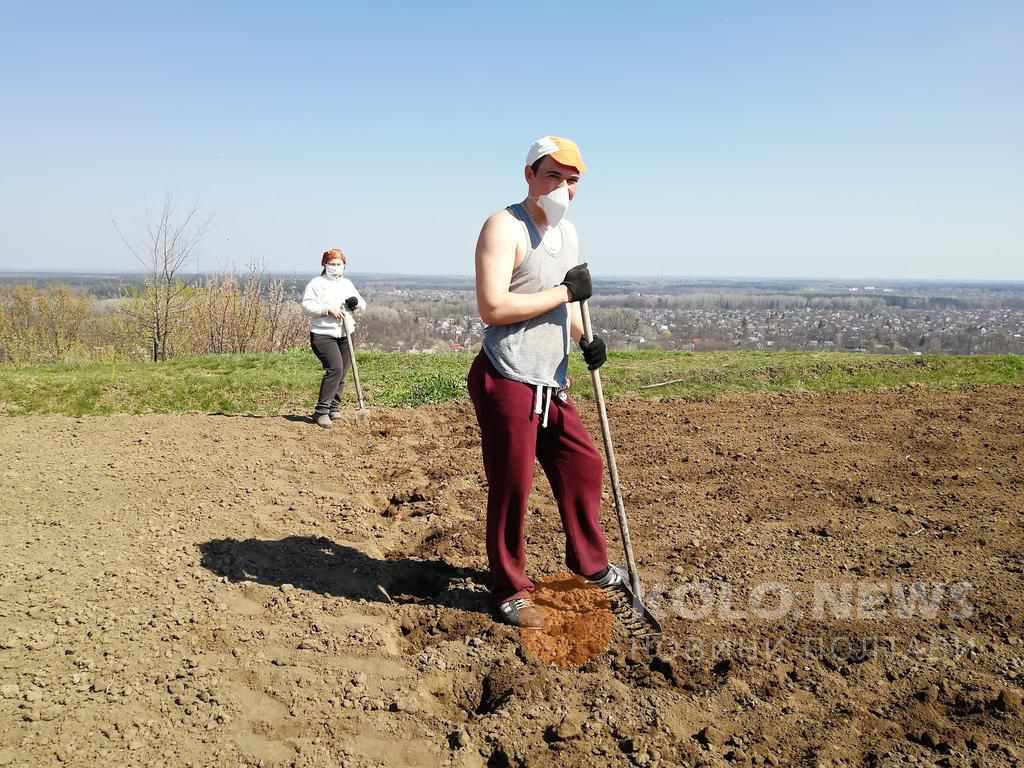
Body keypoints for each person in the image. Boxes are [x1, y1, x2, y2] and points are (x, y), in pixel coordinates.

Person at [468, 136, 638, 629]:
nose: (562, 188)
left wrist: (587, 336)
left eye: (572, 180)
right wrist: (564, 291)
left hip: (551, 378)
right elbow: (493, 307)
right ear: (529, 176)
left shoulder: (569, 235)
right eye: (553, 177)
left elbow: (572, 302)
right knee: (513, 484)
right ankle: (509, 587)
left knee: (582, 464)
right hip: (507, 375)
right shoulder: (504, 227)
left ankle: (588, 563)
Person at [301, 248, 366, 428]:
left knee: (343, 372)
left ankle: (333, 408)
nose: (335, 267)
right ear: (324, 265)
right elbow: (306, 306)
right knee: (335, 369)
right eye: (332, 264)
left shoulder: (347, 284)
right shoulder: (316, 284)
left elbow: (362, 305)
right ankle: (321, 412)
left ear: (344, 266)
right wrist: (326, 309)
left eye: (339, 264)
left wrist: (355, 304)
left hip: (346, 333)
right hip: (323, 334)